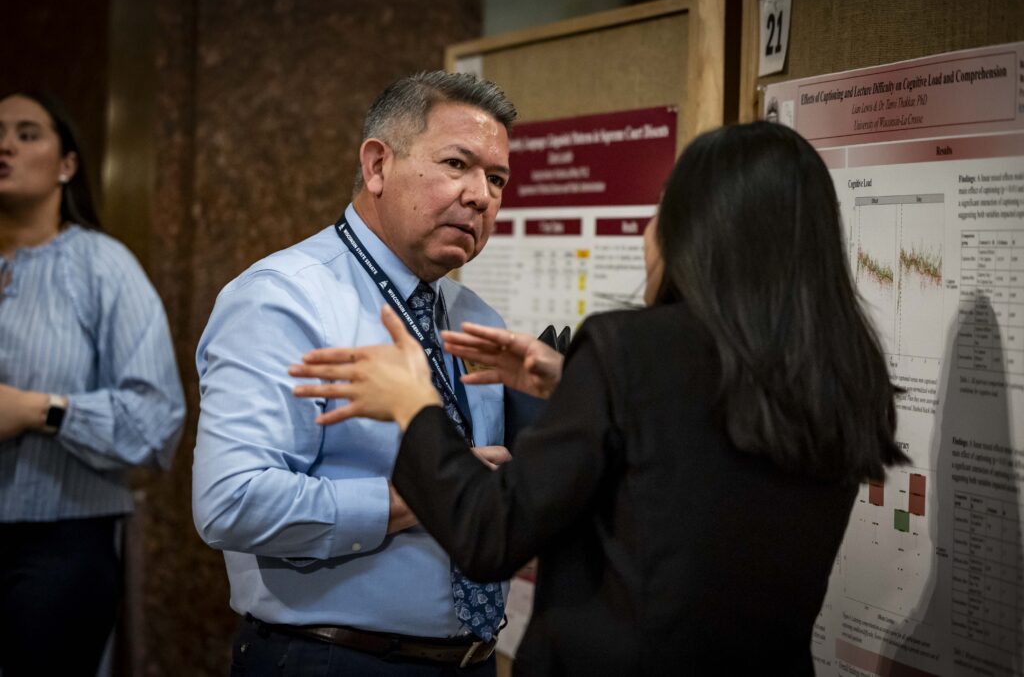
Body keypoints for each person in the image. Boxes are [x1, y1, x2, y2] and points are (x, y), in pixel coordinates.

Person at [289, 121, 911, 675]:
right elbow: (703, 467)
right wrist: (576, 388)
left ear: (696, 231)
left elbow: (487, 534)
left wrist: (412, 406)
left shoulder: (631, 347)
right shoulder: (844, 372)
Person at [192, 71, 517, 675]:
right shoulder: (284, 300)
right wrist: (428, 494)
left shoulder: (477, 319)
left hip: (474, 659)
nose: (480, 196)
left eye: (496, 179)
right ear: (377, 166)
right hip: (333, 658)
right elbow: (232, 503)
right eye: (456, 164)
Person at [0, 92, 186, 676]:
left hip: (59, 546)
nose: (4, 146)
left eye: (26, 134)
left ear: (67, 165)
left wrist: (37, 410)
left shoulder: (103, 267)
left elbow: (155, 419)